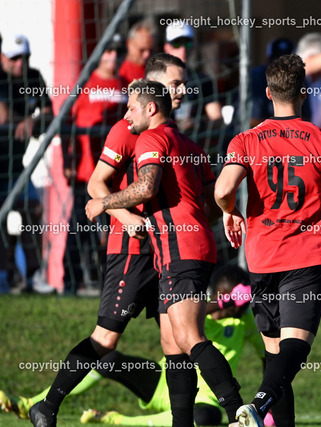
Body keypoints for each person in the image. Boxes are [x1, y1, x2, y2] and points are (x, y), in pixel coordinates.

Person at [26, 54, 201, 427]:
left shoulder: (174, 135)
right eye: (176, 83)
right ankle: (48, 405)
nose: (184, 90)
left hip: (168, 251)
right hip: (132, 251)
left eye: (184, 84)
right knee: (105, 338)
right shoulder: (127, 129)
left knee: (176, 341)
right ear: (154, 89)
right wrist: (126, 217)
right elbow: (96, 184)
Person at [83, 79, 244, 427]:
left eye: (131, 107)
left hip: (181, 249)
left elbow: (146, 187)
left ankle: (239, 412)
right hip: (185, 248)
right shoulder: (190, 144)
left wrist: (103, 202)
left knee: (188, 337)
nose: (127, 114)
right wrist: (222, 214)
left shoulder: (151, 138)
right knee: (172, 345)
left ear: (151, 108)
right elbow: (211, 203)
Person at [215, 53, 321, 427]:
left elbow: (223, 190)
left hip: (262, 257)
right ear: (304, 93)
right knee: (293, 351)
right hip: (305, 255)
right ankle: (258, 405)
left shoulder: (246, 139)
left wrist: (230, 211)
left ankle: (262, 409)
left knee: (276, 357)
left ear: (268, 93)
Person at [3, 265, 268, 426]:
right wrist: (222, 302)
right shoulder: (198, 312)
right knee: (108, 359)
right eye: (234, 300)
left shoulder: (244, 322)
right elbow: (199, 309)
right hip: (164, 381)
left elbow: (265, 355)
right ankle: (34, 404)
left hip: (204, 398)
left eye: (241, 303)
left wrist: (265, 407)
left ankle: (117, 420)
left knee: (207, 418)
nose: (237, 308)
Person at [61, 34, 128, 294]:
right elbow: (64, 124)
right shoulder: (84, 85)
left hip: (117, 174)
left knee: (113, 230)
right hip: (87, 173)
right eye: (108, 50)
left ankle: (106, 282)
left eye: (117, 51)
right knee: (79, 229)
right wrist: (67, 160)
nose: (113, 56)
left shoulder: (124, 86)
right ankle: (70, 282)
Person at [0, 33, 53, 294]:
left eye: (24, 57)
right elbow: (2, 117)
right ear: (2, 58)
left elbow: (50, 114)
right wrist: (26, 119)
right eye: (14, 58)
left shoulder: (33, 77)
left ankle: (33, 274)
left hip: (14, 165)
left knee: (32, 208)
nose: (20, 63)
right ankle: (4, 275)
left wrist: (33, 120)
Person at [163, 22, 223, 134]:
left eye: (187, 44)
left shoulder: (202, 80)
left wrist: (197, 124)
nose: (183, 49)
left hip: (193, 140)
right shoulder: (155, 79)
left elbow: (216, 118)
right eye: (177, 44)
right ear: (166, 47)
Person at [250, 37, 295, 127]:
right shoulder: (257, 76)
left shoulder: (299, 78)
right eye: (276, 64)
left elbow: (305, 117)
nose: (281, 69)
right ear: (267, 60)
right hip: (260, 132)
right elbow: (252, 121)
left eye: (287, 65)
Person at [119, 19, 156, 85]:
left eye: (150, 50)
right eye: (142, 50)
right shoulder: (120, 73)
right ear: (129, 43)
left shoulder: (156, 70)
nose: (147, 54)